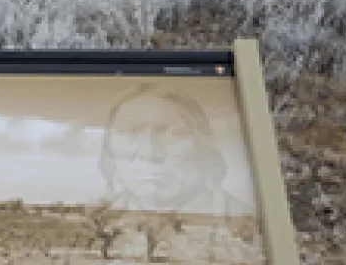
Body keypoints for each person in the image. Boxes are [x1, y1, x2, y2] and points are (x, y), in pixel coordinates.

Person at [98, 83, 256, 216]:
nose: (149, 152)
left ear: (203, 146)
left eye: (172, 134)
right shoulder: (93, 219)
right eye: (130, 132)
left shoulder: (246, 222)